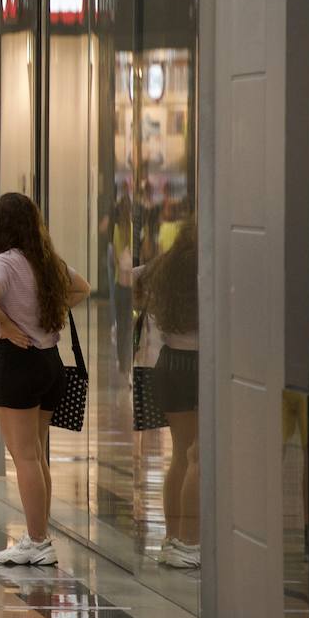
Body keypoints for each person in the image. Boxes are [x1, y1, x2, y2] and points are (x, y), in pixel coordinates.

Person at [0, 192, 91, 566]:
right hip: (50, 362)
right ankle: (40, 535)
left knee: (23, 457)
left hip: (18, 364)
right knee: (36, 455)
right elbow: (83, 288)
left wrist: (8, 324)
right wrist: (48, 310)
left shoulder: (4, 263)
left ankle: (37, 541)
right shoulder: (45, 261)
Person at [136, 219, 199, 569]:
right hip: (199, 365)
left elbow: (135, 278)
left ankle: (173, 538)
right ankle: (191, 543)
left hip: (169, 364)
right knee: (199, 457)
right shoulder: (204, 270)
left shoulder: (164, 268)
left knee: (179, 454)